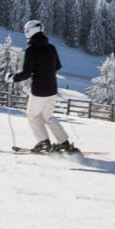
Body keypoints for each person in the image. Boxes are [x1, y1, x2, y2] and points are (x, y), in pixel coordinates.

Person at [12, 20, 78, 153]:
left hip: (39, 91)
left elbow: (26, 73)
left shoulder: (31, 50)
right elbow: (57, 66)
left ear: (32, 30)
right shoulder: (51, 48)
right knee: (48, 117)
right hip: (52, 90)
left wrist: (13, 78)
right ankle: (63, 142)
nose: (25, 33)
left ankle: (43, 142)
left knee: (33, 116)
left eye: (26, 30)